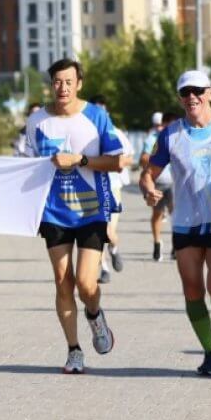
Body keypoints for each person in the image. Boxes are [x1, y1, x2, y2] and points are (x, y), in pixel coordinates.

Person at [141, 69, 211, 376]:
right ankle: (210, 352)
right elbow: (148, 172)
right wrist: (148, 189)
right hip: (186, 223)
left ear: (210, 93)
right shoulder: (171, 134)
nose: (191, 96)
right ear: (180, 99)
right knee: (192, 291)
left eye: (197, 90)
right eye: (184, 92)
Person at [23, 60, 125, 373]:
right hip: (53, 212)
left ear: (79, 83)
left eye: (68, 82)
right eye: (57, 82)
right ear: (50, 84)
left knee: (85, 283)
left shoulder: (96, 116)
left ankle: (95, 316)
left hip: (92, 210)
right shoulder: (37, 121)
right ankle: (74, 350)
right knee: (62, 282)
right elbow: (27, 166)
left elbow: (117, 161)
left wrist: (80, 160)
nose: (62, 88)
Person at [87, 95, 132, 285]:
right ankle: (104, 269)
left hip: (112, 188)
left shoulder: (116, 132)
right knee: (96, 232)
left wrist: (117, 162)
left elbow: (129, 158)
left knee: (108, 231)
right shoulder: (84, 134)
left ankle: (113, 249)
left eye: (102, 111)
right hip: (90, 188)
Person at [139, 111, 175, 261]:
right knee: (157, 215)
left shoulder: (182, 139)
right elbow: (143, 159)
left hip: (175, 182)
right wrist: (157, 157)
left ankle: (176, 245)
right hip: (158, 182)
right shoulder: (153, 139)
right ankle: (157, 243)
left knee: (177, 216)